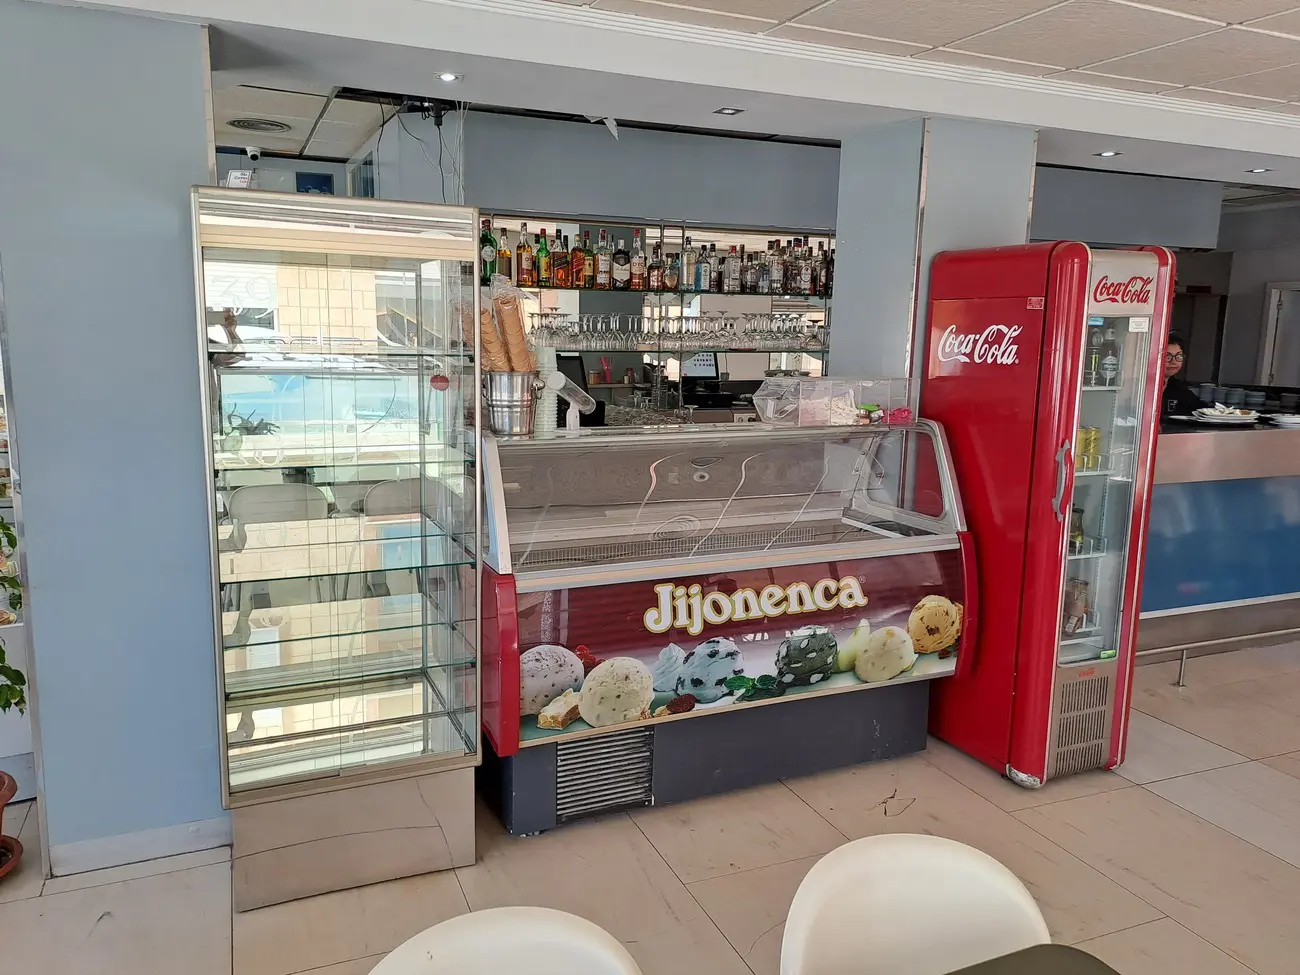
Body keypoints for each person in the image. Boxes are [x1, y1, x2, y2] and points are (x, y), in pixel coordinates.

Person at [1160, 333, 1202, 420]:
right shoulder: (1140, 386)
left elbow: (1202, 409)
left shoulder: (1178, 388)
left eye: (1179, 356)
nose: (1173, 361)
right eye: (1167, 356)